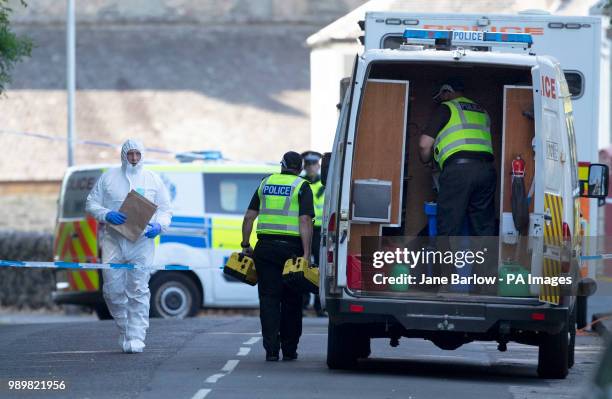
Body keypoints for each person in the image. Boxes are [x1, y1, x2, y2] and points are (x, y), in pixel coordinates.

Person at [86, 139, 172, 353]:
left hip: (142, 242)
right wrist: (106, 214)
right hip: (113, 240)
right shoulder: (108, 177)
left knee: (138, 288)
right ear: (123, 155)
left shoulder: (153, 179)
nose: (134, 159)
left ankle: (136, 336)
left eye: (137, 154)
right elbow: (91, 203)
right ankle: (125, 328)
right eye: (130, 154)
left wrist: (159, 226)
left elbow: (165, 210)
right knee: (112, 290)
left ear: (142, 155)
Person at [241, 151, 314, 361]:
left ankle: (271, 350)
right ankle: (289, 350)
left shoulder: (265, 183)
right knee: (292, 301)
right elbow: (305, 222)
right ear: (299, 168)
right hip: (292, 250)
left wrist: (246, 245)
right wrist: (307, 253)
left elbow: (249, 218)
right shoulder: (302, 186)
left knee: (269, 300)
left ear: (281, 165)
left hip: (265, 248)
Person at [418, 78, 496, 236]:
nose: (440, 100)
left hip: (458, 172)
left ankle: (445, 261)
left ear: (447, 92)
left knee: (448, 227)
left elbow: (424, 144)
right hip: (486, 172)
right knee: (483, 228)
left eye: (440, 96)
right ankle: (486, 261)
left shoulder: (446, 108)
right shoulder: (482, 111)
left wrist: (426, 160)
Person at [301, 150, 326, 317]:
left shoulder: (325, 184)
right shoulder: (300, 183)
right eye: (308, 165)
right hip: (303, 228)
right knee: (302, 265)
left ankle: (318, 306)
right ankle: (302, 304)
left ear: (318, 166)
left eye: (314, 164)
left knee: (319, 268)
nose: (311, 168)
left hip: (320, 231)